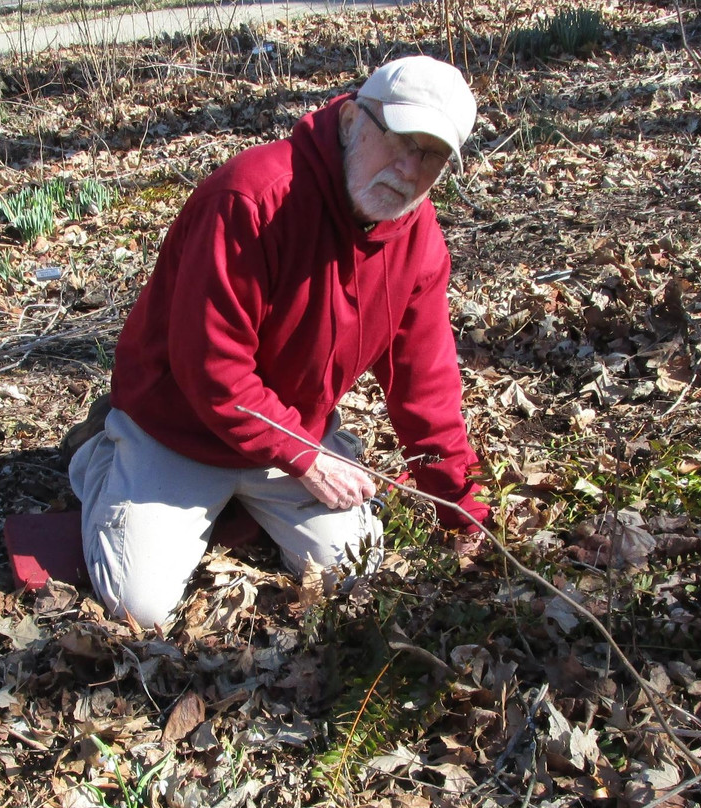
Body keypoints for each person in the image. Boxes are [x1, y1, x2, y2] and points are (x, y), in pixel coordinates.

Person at [64, 55, 490, 628]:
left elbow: (426, 385)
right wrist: (306, 457)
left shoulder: (418, 241)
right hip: (179, 426)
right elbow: (212, 366)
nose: (409, 169)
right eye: (401, 139)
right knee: (138, 606)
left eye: (432, 154)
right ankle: (103, 451)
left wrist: (462, 510)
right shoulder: (252, 200)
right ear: (350, 121)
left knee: (355, 570)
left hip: (291, 435)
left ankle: (239, 501)